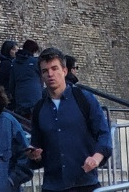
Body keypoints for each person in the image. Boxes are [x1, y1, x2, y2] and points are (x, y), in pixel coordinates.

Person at [27, 47, 112, 192]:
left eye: (54, 68)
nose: (50, 74)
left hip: (85, 184)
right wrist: (35, 156)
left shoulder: (84, 99)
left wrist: (96, 158)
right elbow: (37, 147)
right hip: (52, 186)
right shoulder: (39, 109)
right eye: (45, 71)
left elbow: (103, 133)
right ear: (41, 75)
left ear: (65, 71)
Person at [7, 40, 43, 127]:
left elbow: (12, 83)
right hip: (36, 98)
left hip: (20, 99)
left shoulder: (15, 63)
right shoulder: (35, 62)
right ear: (33, 51)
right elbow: (42, 80)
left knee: (24, 124)